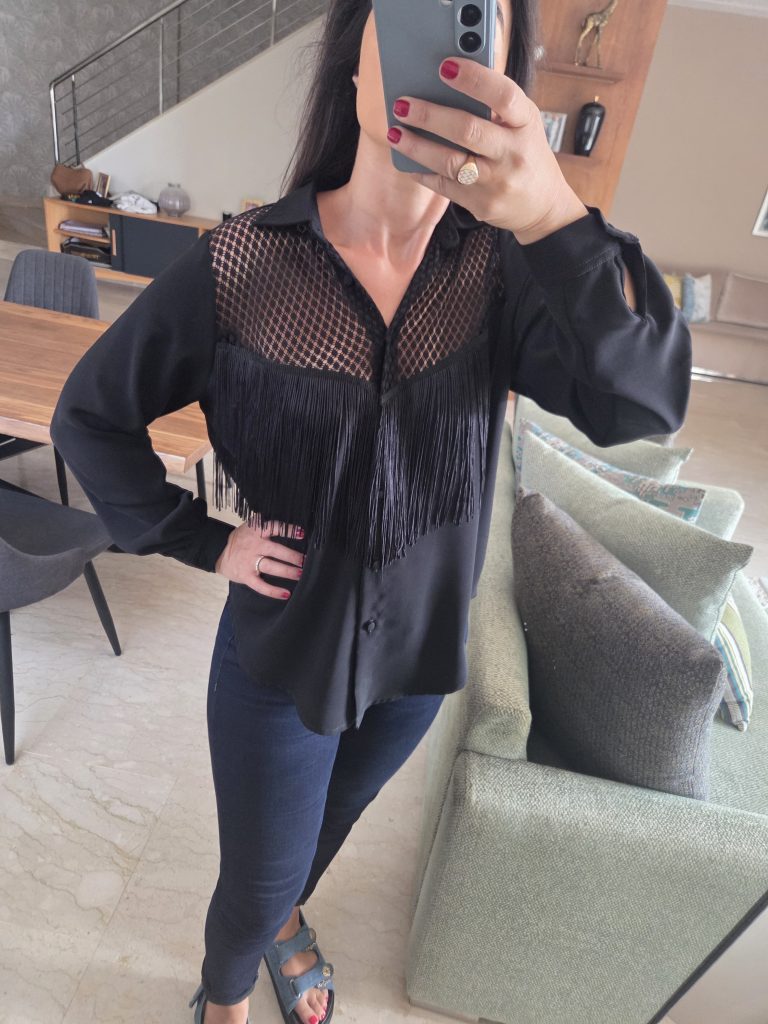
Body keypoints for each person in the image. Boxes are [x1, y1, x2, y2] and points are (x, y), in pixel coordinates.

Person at [49, 0, 692, 1022]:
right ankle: (224, 999)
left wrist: (552, 216)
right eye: (408, 16)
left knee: (320, 836)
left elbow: (644, 403)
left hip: (415, 667)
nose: (434, 56)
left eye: (468, 27)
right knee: (256, 877)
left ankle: (286, 917)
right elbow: (90, 415)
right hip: (278, 656)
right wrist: (202, 540)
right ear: (354, 61)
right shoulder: (244, 264)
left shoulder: (503, 274)